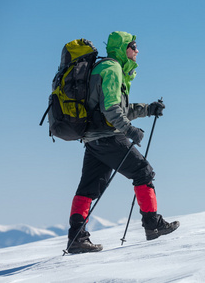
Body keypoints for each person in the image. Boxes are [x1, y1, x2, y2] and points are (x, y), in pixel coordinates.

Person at [66, 31, 179, 254]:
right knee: (143, 172)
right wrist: (129, 130)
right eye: (133, 46)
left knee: (88, 188)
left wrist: (148, 109)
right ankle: (152, 224)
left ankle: (76, 238)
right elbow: (111, 110)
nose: (137, 51)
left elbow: (116, 107)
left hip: (93, 139)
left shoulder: (102, 69)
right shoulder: (112, 69)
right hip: (108, 136)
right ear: (122, 49)